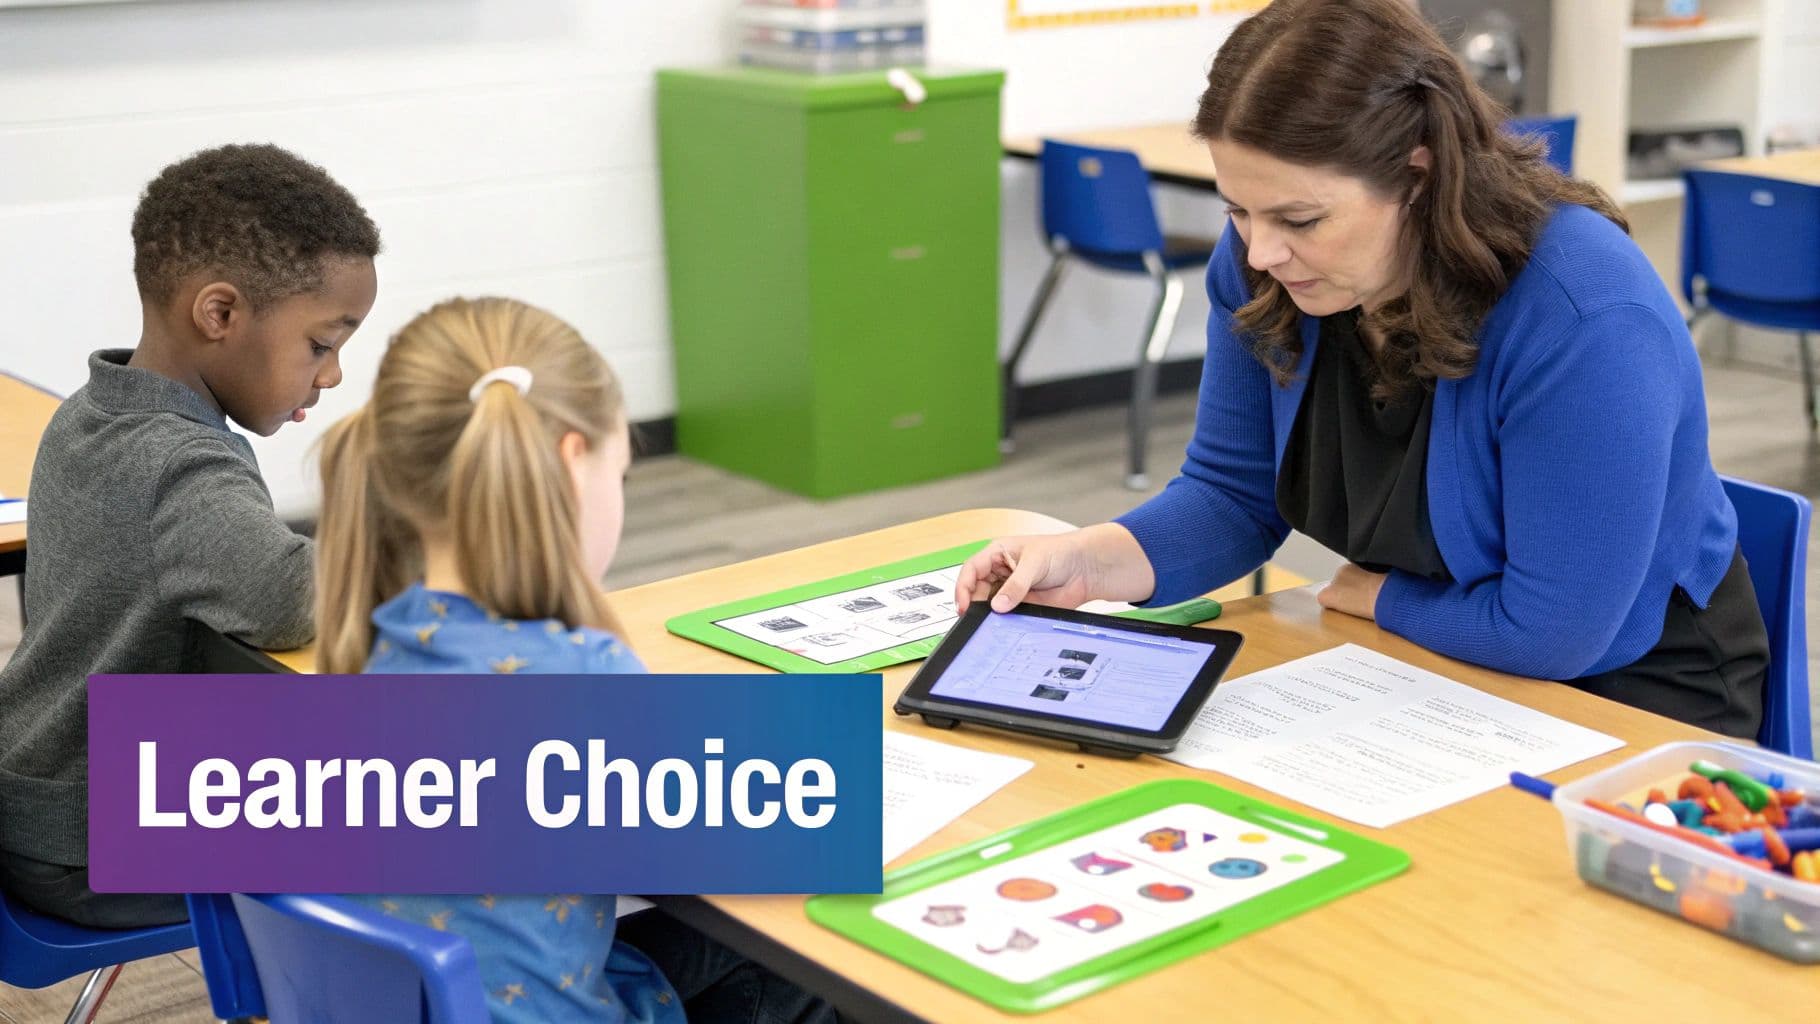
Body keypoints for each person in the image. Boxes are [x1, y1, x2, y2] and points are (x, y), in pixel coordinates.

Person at [958, 0, 1768, 738]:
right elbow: (1232, 498)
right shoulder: (1267, 271)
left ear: (1417, 178)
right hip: (1424, 665)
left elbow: (1555, 632)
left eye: (1299, 218)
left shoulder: (1584, 313)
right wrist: (1093, 560)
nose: (1261, 251)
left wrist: (1385, 599)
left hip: (1631, 702)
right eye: (1237, 210)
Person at [317, 296, 837, 1024]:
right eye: (619, 472)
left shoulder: (369, 648)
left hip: (416, 1005)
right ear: (570, 465)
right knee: (803, 952)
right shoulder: (589, 679)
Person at [0, 143, 380, 927]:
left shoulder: (89, 411)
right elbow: (284, 597)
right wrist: (439, 540)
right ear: (219, 314)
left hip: (41, 789)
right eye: (321, 344)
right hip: (98, 841)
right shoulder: (181, 463)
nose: (334, 374)